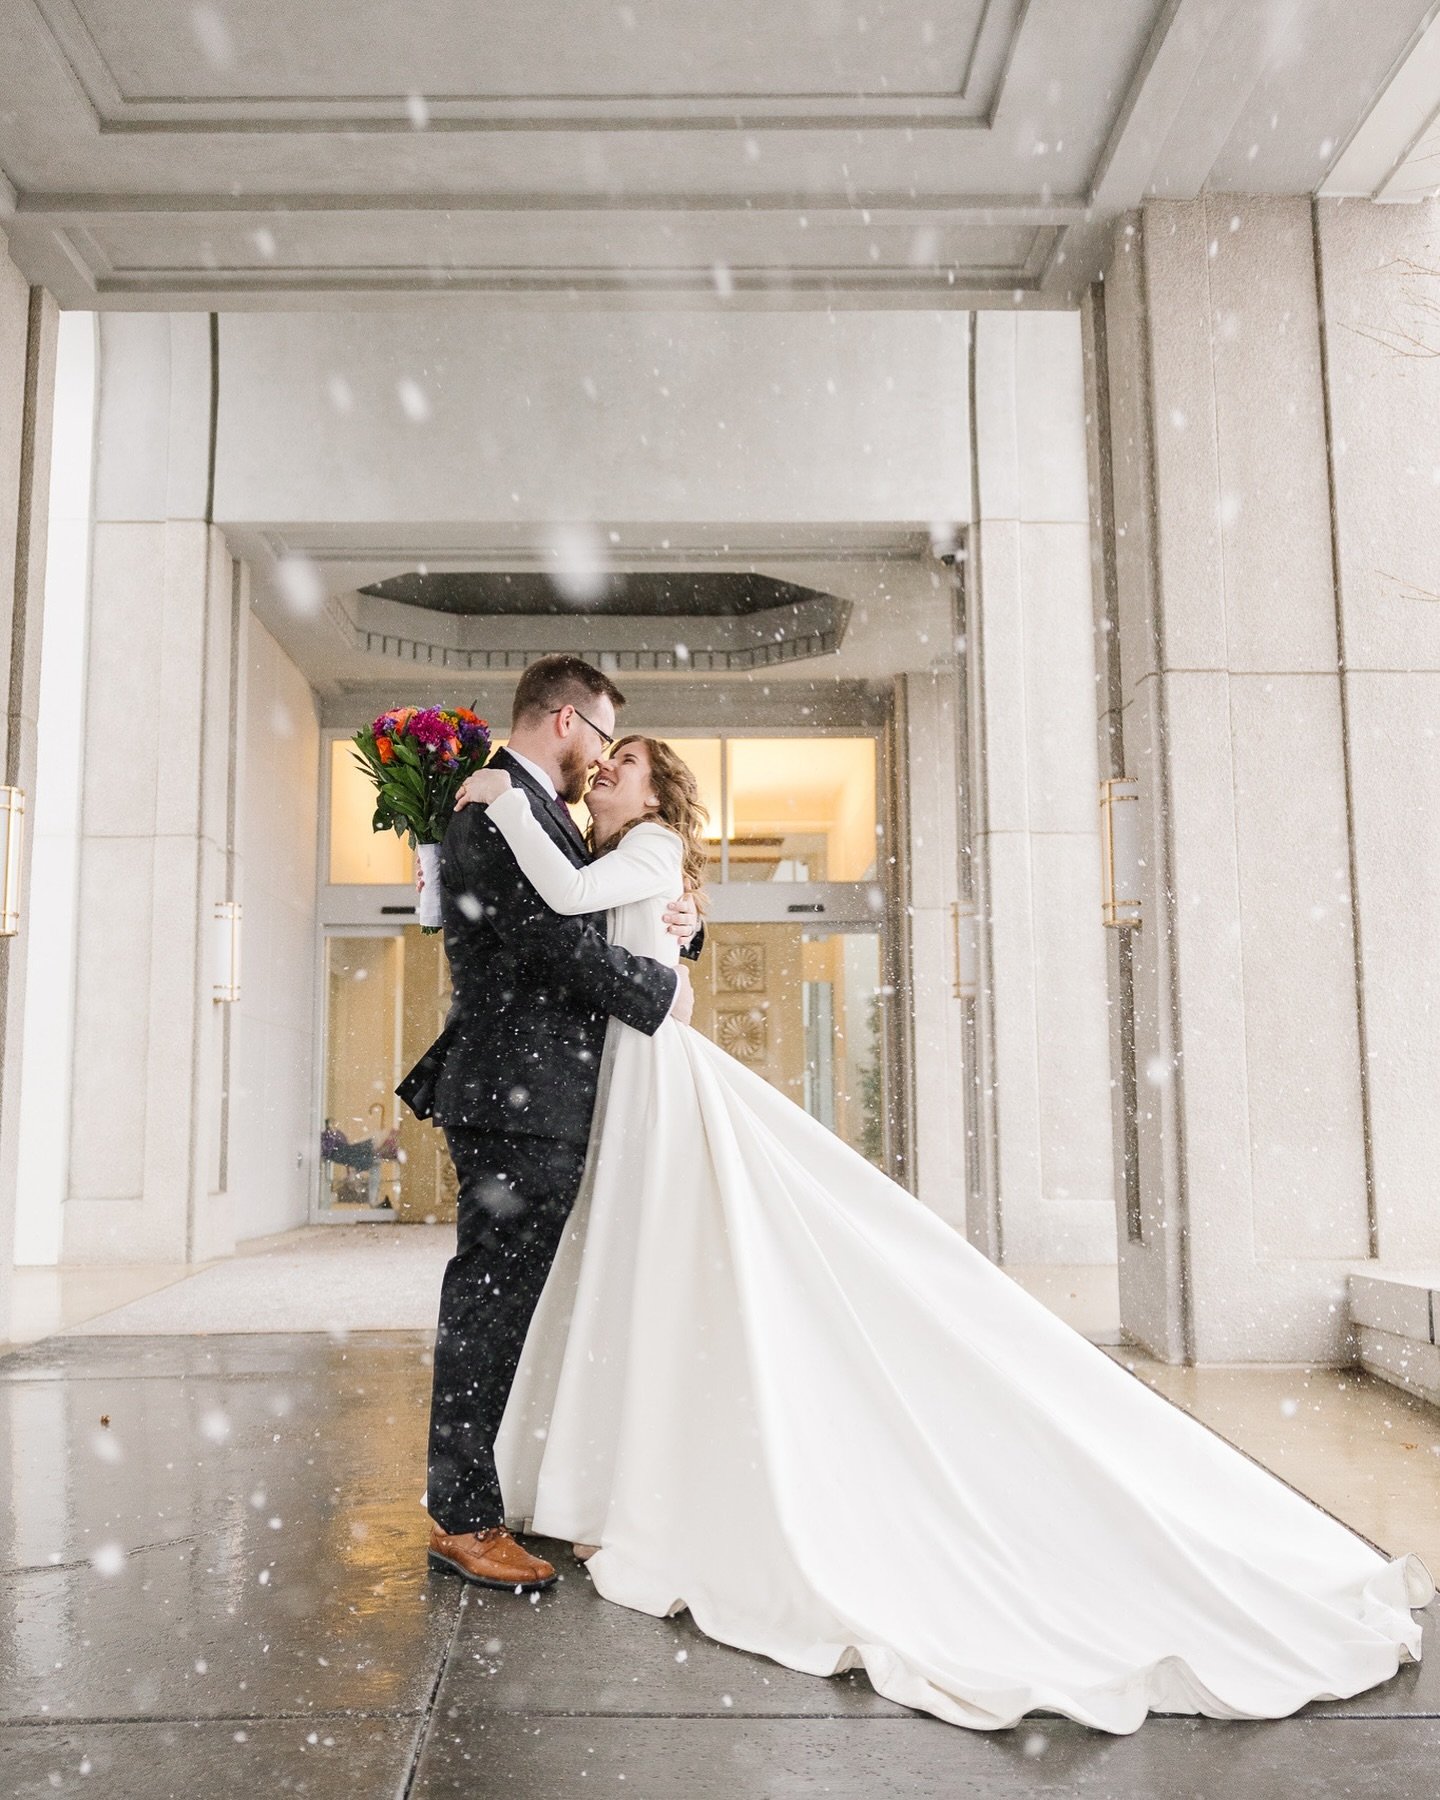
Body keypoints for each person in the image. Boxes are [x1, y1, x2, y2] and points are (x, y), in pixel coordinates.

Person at [448, 734, 1435, 1735]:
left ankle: (633, 1476)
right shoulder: (628, 855)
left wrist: (501, 802)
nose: (605, 771)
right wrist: (669, 922)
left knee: (662, 1263)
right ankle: (616, 1469)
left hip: (653, 1074)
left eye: (625, 763)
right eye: (604, 759)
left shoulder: (643, 847)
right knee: (637, 1266)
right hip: (630, 1075)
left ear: (661, 796)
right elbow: (608, 918)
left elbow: (574, 908)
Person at [398, 656, 702, 1595]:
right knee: (488, 1302)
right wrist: (667, 991)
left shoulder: (531, 810)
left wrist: (683, 930)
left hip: (535, 1095)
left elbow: (612, 908)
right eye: (603, 739)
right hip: (517, 1098)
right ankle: (464, 1518)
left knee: (515, 1298)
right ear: (569, 721)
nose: (602, 763)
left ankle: (509, 1491)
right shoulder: (497, 809)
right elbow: (555, 940)